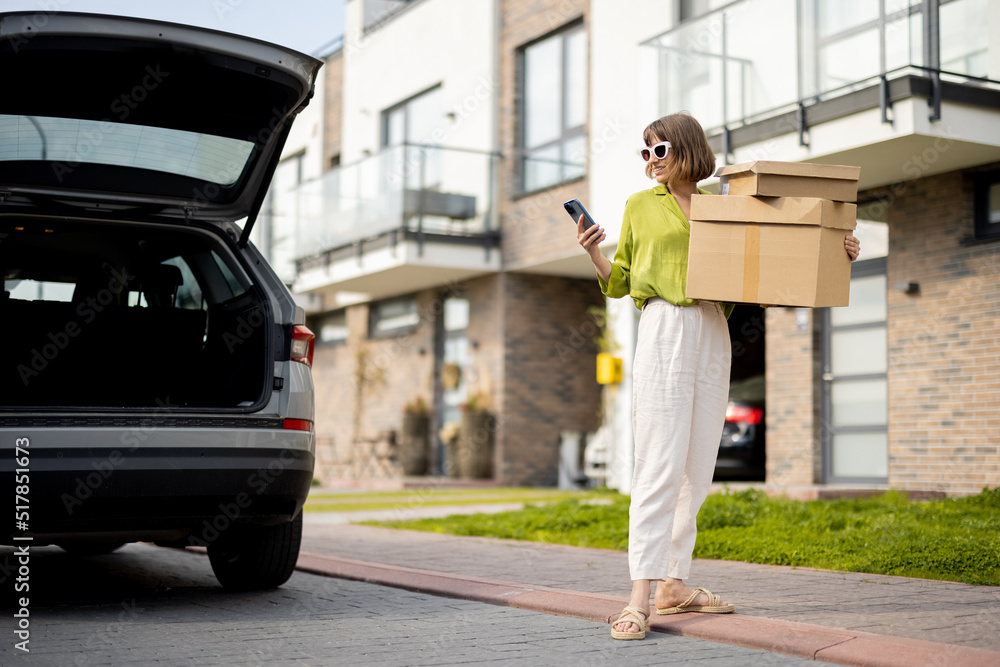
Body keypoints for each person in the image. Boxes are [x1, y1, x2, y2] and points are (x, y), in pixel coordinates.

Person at [576, 112, 861, 641]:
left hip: (713, 328)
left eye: (656, 150)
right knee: (659, 461)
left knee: (698, 463)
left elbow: (780, 258)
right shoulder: (641, 206)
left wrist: (838, 250)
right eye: (643, 152)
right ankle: (641, 594)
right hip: (664, 325)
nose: (648, 161)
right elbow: (619, 282)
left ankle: (674, 584)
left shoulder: (726, 208)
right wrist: (594, 250)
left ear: (684, 149)